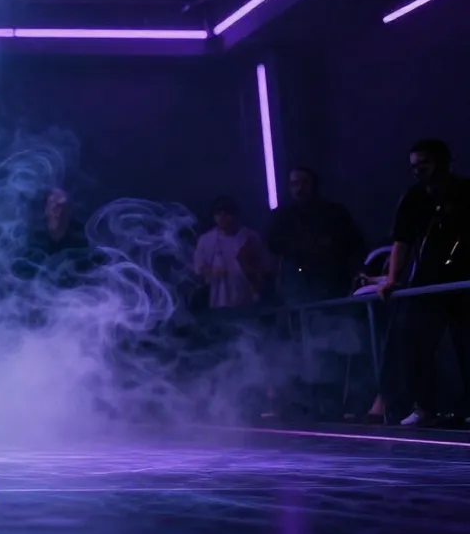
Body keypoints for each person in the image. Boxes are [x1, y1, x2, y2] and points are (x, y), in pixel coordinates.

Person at [377, 139, 470, 426]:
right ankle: (424, 405)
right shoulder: (414, 197)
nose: (418, 171)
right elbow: (401, 241)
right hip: (426, 282)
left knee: (466, 345)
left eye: (424, 164)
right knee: (415, 344)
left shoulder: (464, 192)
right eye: (414, 166)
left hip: (463, 281)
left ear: (443, 163)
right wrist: (392, 279)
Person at [266, 167, 366, 304]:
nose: (300, 188)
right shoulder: (282, 217)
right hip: (297, 288)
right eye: (295, 183)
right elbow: (272, 248)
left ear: (314, 184)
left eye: (305, 182)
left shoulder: (334, 213)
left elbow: (355, 245)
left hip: (334, 283)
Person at [193, 196, 266, 309]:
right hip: (218, 301)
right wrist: (212, 272)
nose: (222, 216)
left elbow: (262, 266)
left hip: (247, 299)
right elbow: (199, 268)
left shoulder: (250, 237)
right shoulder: (206, 240)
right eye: (218, 212)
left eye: (227, 212)